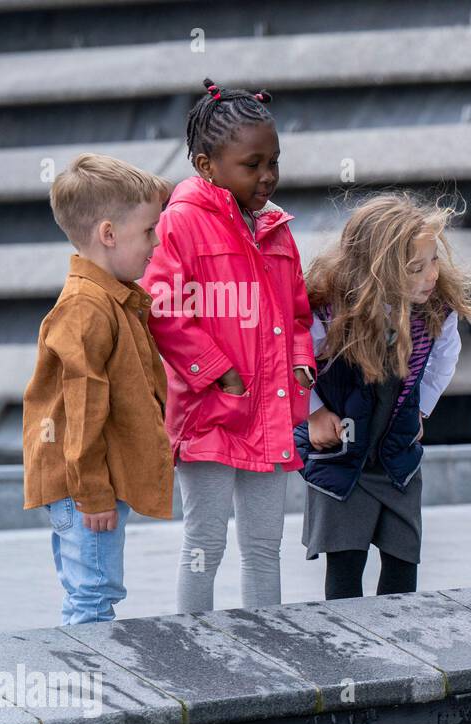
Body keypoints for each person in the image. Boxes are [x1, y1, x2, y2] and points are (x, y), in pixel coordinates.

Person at [142, 78, 316, 612]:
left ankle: (267, 646)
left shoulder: (277, 230)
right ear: (205, 164)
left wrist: (301, 360)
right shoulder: (179, 223)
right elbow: (164, 309)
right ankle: (194, 649)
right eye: (253, 164)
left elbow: (296, 312)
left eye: (274, 162)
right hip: (210, 413)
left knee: (265, 544)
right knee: (205, 542)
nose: (268, 176)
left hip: (269, 411)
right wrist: (216, 370)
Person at [296, 193, 471, 598]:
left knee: (403, 557)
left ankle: (402, 642)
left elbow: (444, 359)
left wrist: (422, 409)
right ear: (377, 271)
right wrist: (313, 412)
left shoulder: (435, 310)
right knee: (346, 559)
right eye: (416, 268)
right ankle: (347, 645)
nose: (431, 274)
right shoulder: (330, 311)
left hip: (395, 455)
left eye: (433, 260)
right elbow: (295, 362)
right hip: (343, 454)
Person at [23, 154, 172, 624]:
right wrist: (93, 494)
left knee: (89, 590)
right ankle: (97, 693)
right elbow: (82, 408)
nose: (156, 242)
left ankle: (92, 688)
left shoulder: (109, 297)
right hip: (84, 487)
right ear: (109, 234)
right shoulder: (89, 307)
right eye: (148, 230)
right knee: (93, 597)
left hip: (87, 483)